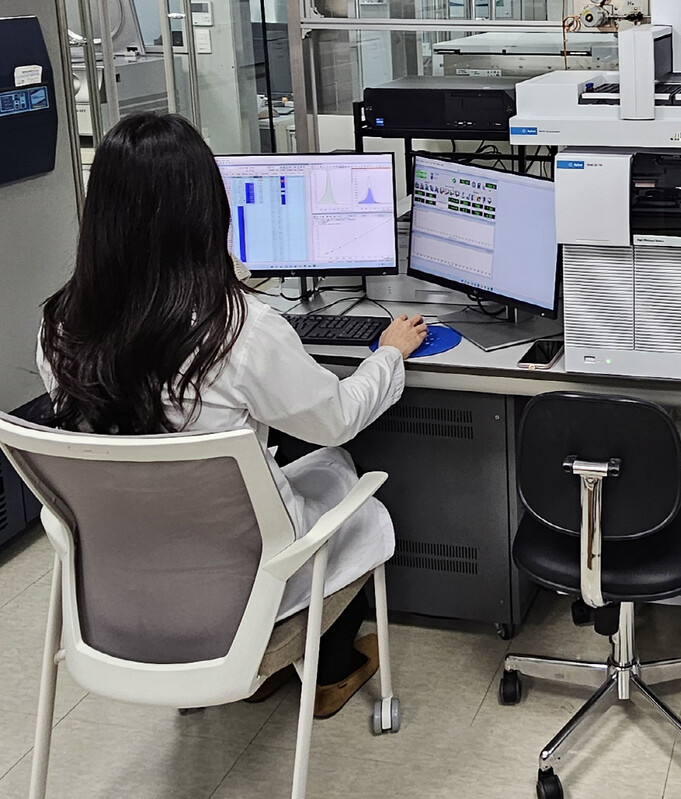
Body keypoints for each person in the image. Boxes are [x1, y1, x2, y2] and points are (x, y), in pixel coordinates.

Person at [36, 112, 426, 718]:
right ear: (207, 213)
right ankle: (328, 669)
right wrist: (388, 355)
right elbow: (338, 417)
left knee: (295, 468)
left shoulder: (59, 327)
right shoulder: (238, 331)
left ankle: (266, 672)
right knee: (342, 475)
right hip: (241, 585)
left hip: (121, 588)